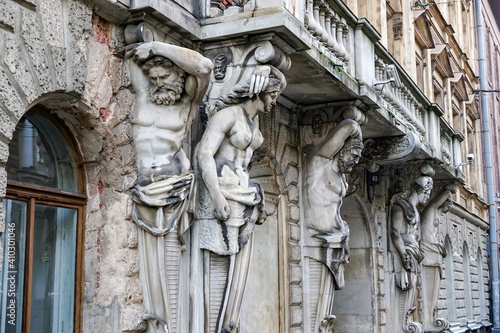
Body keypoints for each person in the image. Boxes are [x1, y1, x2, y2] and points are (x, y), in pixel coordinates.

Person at [125, 41, 212, 333]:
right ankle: (157, 321)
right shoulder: (143, 95)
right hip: (143, 189)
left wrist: (156, 46)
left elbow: (204, 67)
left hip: (174, 190)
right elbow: (131, 56)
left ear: (179, 77)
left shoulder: (188, 104)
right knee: (150, 264)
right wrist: (147, 54)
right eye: (155, 77)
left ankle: (171, 324)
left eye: (165, 77)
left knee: (171, 263)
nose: (158, 82)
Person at [195, 65, 286, 333]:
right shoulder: (228, 115)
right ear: (259, 91)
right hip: (224, 190)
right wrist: (216, 195)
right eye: (272, 94)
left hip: (245, 192)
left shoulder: (253, 121)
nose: (274, 101)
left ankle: (230, 322)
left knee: (239, 266)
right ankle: (214, 324)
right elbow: (203, 154)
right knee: (220, 261)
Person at [303, 117, 363, 332]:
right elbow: (346, 127)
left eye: (358, 157)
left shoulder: (343, 178)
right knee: (315, 309)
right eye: (353, 154)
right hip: (317, 239)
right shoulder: (320, 163)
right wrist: (354, 127)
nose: (355, 160)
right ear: (341, 149)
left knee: (327, 308)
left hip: (336, 242)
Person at [390, 172, 433, 333]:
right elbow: (395, 232)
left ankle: (406, 321)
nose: (427, 197)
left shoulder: (414, 209)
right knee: (406, 288)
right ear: (420, 190)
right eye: (427, 192)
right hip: (406, 254)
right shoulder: (401, 206)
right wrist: (403, 255)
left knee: (412, 289)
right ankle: (402, 324)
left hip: (414, 254)